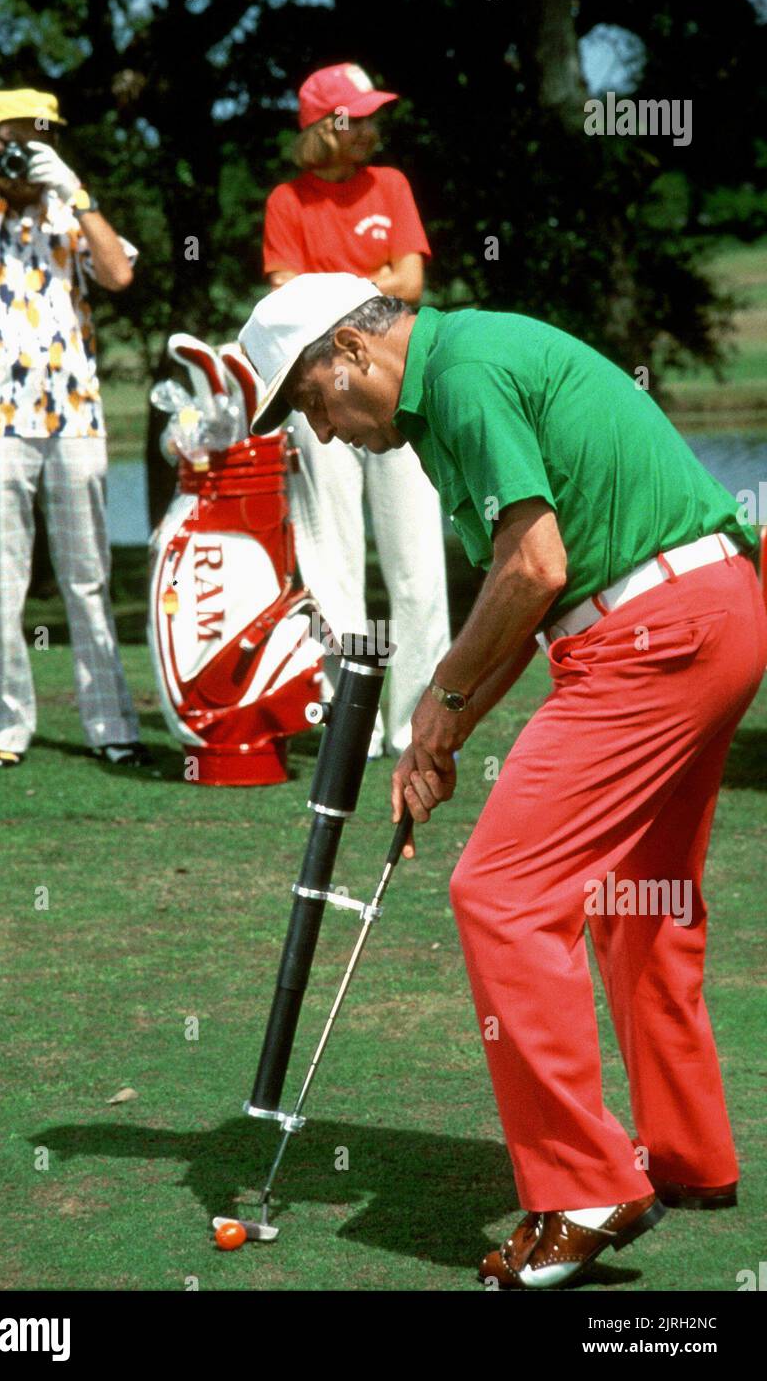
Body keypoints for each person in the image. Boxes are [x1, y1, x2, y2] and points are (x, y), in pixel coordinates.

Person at [239, 271, 766, 1289]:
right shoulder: (455, 385)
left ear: (348, 352)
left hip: (650, 639)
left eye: (311, 405)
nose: (328, 433)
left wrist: (435, 697)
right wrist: (437, 738)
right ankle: (686, 1154)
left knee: (501, 893)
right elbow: (526, 601)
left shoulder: (467, 374)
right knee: (634, 898)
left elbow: (532, 567)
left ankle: (584, 1184)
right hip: (711, 612)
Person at [0, 88, 150, 768]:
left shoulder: (69, 211)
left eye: (35, 142)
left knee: (87, 573)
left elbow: (118, 275)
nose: (20, 157)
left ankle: (111, 726)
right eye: (9, 142)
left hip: (74, 411)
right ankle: (6, 726)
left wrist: (76, 193)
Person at [261, 63, 450, 757]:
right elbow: (287, 296)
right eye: (355, 118)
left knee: (417, 558)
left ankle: (416, 721)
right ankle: (354, 720)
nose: (369, 128)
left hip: (394, 387)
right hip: (320, 394)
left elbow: (412, 279)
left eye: (372, 116)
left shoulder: (392, 185)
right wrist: (365, 285)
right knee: (331, 556)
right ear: (322, 128)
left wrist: (331, 287)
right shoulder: (288, 200)